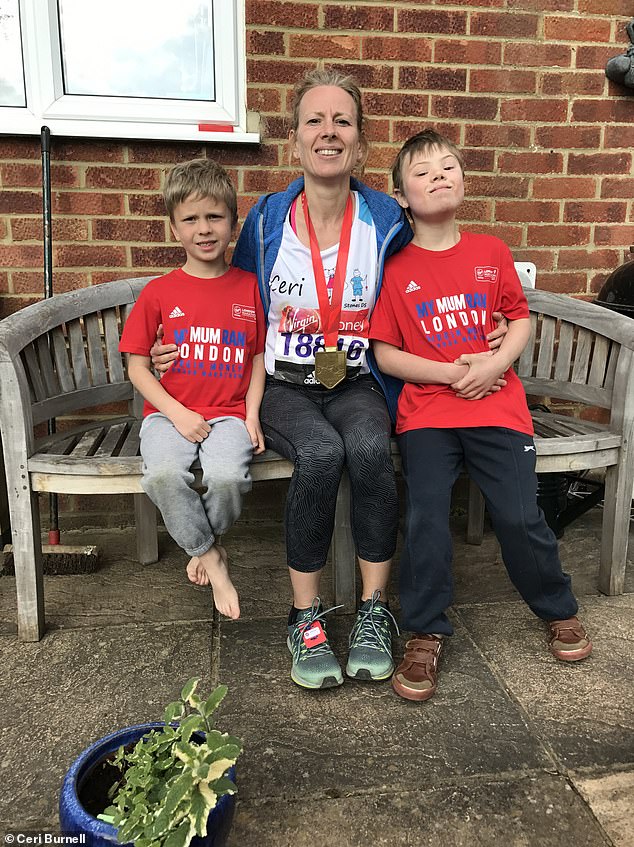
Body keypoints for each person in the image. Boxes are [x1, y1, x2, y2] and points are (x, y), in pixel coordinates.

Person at [151, 70, 507, 692]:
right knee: (319, 455)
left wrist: (496, 325)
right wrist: (168, 352)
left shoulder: (384, 219)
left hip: (355, 378)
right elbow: (223, 295)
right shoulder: (264, 223)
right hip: (286, 383)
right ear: (294, 141)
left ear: (361, 144)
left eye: (342, 120)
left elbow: (437, 271)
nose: (328, 132)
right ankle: (305, 616)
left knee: (369, 450)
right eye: (314, 120)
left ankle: (373, 612)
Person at [369, 129, 593, 703]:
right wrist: (450, 374)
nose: (439, 176)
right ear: (400, 194)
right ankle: (425, 629)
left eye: (449, 167)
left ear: (464, 181)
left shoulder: (492, 252)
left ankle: (557, 608)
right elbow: (385, 353)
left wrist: (495, 363)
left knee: (520, 516)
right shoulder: (395, 268)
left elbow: (519, 320)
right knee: (425, 519)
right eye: (422, 172)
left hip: (498, 407)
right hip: (429, 413)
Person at [119, 158, 266, 621]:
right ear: (174, 228)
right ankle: (213, 559)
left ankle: (201, 545)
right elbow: (138, 368)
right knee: (162, 476)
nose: (204, 229)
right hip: (169, 413)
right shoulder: (160, 293)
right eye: (190, 219)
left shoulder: (249, 288)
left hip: (230, 414)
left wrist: (252, 414)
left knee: (226, 478)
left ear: (232, 222)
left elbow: (259, 355)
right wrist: (177, 413)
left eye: (214, 217)